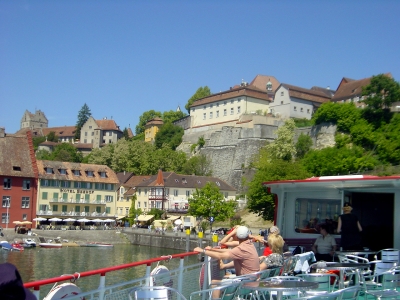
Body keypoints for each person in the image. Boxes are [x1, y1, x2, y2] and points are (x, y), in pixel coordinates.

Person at [194, 226, 259, 298]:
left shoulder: (242, 248)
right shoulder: (249, 244)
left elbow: (220, 256)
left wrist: (203, 251)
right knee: (224, 277)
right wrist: (212, 249)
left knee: (215, 283)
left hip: (246, 283)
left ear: (237, 236)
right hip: (253, 280)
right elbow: (229, 251)